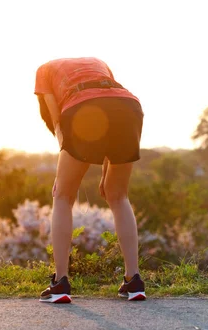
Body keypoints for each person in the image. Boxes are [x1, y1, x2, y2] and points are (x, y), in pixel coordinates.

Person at [34, 57, 146, 303]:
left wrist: (61, 173)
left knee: (62, 195)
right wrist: (106, 174)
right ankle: (133, 280)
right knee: (118, 195)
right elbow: (108, 106)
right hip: (128, 107)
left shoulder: (43, 71)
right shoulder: (98, 63)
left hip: (82, 108)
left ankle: (60, 282)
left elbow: (57, 122)